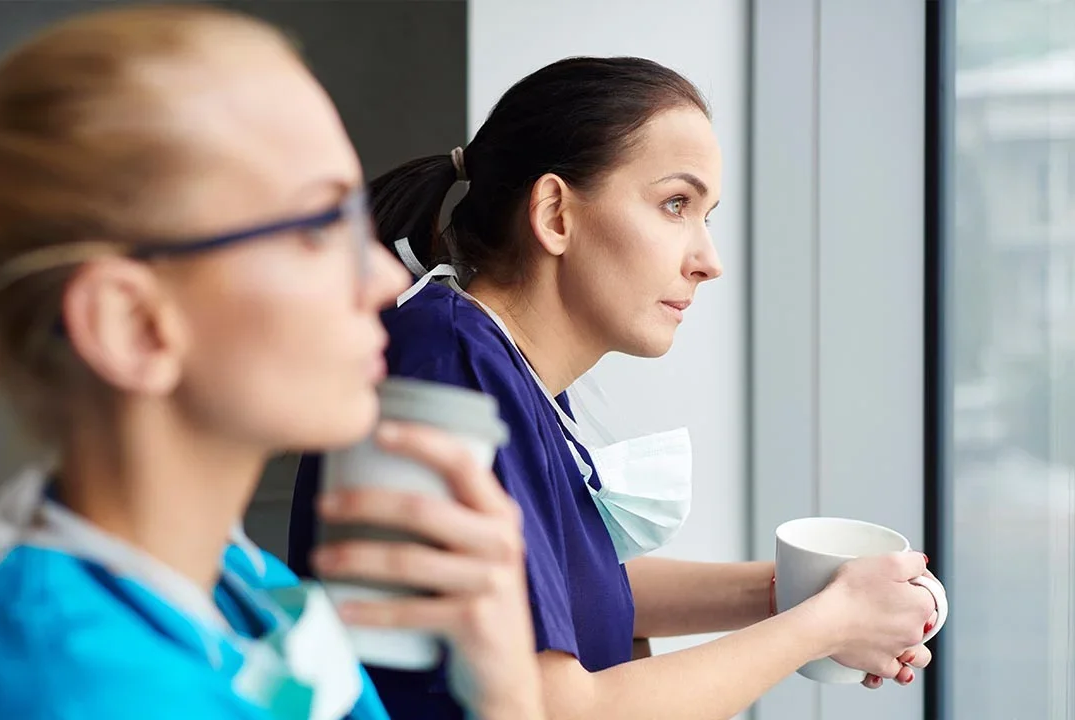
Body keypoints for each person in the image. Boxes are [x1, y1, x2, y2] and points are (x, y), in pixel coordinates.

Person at [289, 57, 941, 720]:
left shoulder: (500, 363)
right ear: (554, 215)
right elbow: (559, 707)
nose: (707, 261)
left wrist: (800, 593)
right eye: (675, 205)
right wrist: (827, 622)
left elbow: (567, 592)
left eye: (706, 215)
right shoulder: (451, 362)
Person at [0, 6, 545, 720]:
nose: (383, 278)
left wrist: (502, 686)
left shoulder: (242, 585)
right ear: (131, 326)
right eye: (319, 226)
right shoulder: (85, 692)